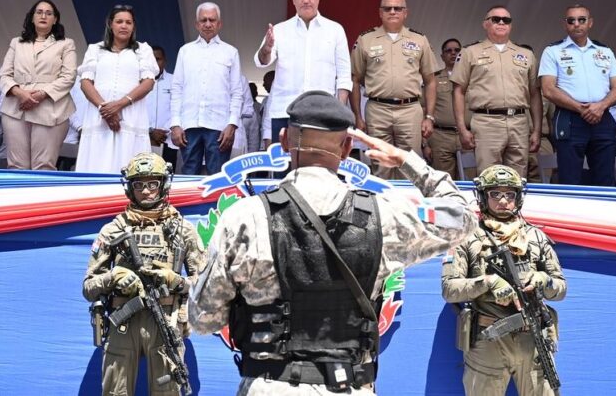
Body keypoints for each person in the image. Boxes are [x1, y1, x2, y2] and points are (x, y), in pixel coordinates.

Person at [189, 90, 477, 394]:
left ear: (285, 140)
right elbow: (463, 217)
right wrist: (406, 160)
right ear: (347, 148)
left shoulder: (244, 217)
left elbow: (203, 317)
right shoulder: (385, 215)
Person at [83, 152, 205, 395]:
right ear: (129, 188)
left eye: (152, 184)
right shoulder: (113, 230)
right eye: (138, 185)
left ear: (164, 185)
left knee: (166, 390)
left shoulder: (183, 230)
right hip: (123, 322)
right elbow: (88, 287)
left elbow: (205, 286)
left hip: (166, 322)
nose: (146, 191)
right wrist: (114, 277)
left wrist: (176, 280)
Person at [441, 164, 566, 396]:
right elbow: (449, 289)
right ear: (482, 196)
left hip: (533, 339)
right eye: (495, 194)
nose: (503, 200)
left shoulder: (535, 237)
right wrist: (488, 283)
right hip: (488, 342)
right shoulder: (466, 237)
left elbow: (560, 288)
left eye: (510, 194)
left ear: (518, 198)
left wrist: (542, 280)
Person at [350, 0, 442, 179]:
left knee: (411, 164)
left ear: (405, 13)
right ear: (380, 13)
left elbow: (430, 80)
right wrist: (358, 117)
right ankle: (382, 206)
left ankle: (408, 207)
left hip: (409, 109)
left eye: (397, 8)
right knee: (379, 163)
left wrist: (429, 116)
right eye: (388, 8)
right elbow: (355, 80)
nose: (393, 11)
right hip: (377, 109)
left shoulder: (419, 40)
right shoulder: (365, 40)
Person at [255, 0, 352, 147]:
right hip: (285, 111)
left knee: (319, 169)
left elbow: (344, 76)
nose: (306, 0)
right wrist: (267, 48)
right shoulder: (280, 30)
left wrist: (339, 110)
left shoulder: (335, 30)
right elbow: (261, 61)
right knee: (283, 170)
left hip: (323, 112)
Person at [452, 6, 542, 177]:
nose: (501, 22)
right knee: (489, 177)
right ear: (485, 24)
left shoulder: (526, 54)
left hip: (519, 122)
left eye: (506, 20)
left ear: (511, 25)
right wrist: (462, 128)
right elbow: (458, 91)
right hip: (487, 122)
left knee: (518, 178)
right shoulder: (470, 52)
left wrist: (537, 130)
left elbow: (535, 94)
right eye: (495, 19)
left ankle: (515, 205)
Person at [538, 5, 616, 186]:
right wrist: (580, 108)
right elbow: (548, 89)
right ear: (565, 24)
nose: (576, 24)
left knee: (605, 178)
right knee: (570, 178)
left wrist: (600, 107)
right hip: (570, 117)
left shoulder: (605, 51)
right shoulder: (553, 51)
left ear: (590, 23)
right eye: (571, 20)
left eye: (581, 19)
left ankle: (602, 214)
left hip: (602, 116)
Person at [76, 6, 159, 173]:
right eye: (119, 21)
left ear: (133, 27)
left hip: (130, 116)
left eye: (128, 22)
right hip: (100, 117)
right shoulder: (95, 49)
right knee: (97, 165)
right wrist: (104, 109)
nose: (124, 26)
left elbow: (148, 82)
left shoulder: (142, 50)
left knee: (128, 166)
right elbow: (85, 82)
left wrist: (120, 104)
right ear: (110, 25)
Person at [0, 0, 77, 170]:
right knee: (16, 165)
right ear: (32, 17)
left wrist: (41, 94)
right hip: (15, 108)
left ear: (55, 19)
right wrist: (20, 93)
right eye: (39, 12)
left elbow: (69, 76)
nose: (43, 16)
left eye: (49, 13)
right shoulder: (16, 43)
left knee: (44, 165)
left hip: (51, 107)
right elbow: (4, 75)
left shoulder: (65, 43)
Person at [170, 2, 244, 175]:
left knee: (218, 176)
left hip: (219, 126)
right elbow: (177, 89)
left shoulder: (230, 52)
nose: (208, 24)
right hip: (189, 125)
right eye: (203, 20)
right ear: (196, 24)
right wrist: (175, 124)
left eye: (212, 20)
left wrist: (232, 125)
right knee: (188, 174)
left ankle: (217, 204)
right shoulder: (185, 51)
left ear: (219, 24)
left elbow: (237, 92)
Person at [427, 38, 464, 180]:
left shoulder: (472, 78)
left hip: (467, 136)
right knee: (444, 181)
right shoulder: (433, 80)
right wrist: (426, 143)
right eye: (448, 51)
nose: (453, 53)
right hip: (441, 137)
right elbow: (425, 110)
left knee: (471, 178)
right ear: (442, 56)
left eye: (457, 50)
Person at [145, 45, 179, 166]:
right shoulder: (137, 83)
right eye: (151, 59)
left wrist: (164, 130)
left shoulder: (175, 81)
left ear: (164, 61)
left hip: (167, 139)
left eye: (158, 59)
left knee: (166, 177)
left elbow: (179, 108)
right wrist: (150, 131)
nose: (154, 63)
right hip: (144, 139)